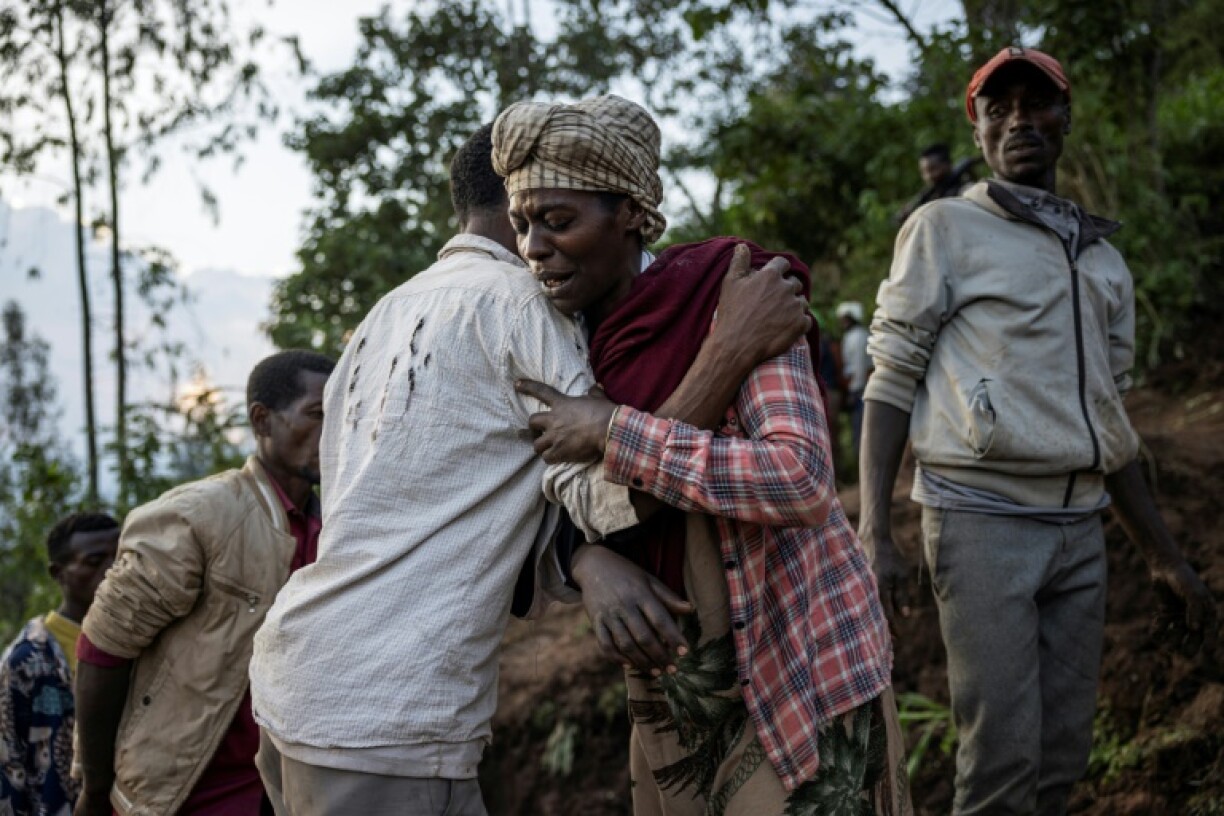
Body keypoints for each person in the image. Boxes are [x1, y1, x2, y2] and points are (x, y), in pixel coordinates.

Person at [247, 123, 809, 816]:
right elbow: (613, 499)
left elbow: (446, 501)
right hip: (388, 711)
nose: (543, 244)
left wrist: (579, 561)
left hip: (295, 676)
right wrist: (727, 353)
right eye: (539, 218)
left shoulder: (381, 316)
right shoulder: (522, 307)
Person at [496, 94, 909, 816]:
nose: (534, 248)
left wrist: (613, 430)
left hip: (796, 649)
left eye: (559, 221)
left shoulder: (733, 293)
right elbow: (550, 498)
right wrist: (584, 562)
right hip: (675, 681)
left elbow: (801, 477)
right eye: (523, 224)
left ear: (628, 212)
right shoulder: (555, 341)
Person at [858, 46, 1218, 816]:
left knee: (1062, 756)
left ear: (1065, 119)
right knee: (1001, 763)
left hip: (1081, 529)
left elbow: (1110, 421)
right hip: (980, 521)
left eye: (1038, 104)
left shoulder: (1105, 262)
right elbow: (889, 379)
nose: (1020, 119)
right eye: (999, 109)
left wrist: (1163, 558)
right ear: (979, 132)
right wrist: (875, 529)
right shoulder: (943, 228)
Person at [73, 350, 334, 816]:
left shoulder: (339, 526)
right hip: (187, 793)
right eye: (315, 414)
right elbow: (103, 647)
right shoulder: (199, 517)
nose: (332, 430)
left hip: (291, 791)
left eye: (341, 413)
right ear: (262, 421)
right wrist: (95, 788)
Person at [1, 512, 119, 816]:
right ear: (58, 573)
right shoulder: (26, 661)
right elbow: (8, 762)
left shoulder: (141, 642)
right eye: (94, 562)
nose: (112, 570)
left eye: (120, 557)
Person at [895, 144, 977, 225]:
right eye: (924, 172)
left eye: (933, 169)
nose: (928, 176)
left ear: (947, 165)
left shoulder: (966, 189)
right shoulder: (927, 196)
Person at [836, 300, 871, 461]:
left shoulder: (856, 337)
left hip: (859, 389)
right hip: (859, 387)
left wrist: (853, 389)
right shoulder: (859, 335)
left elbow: (858, 366)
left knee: (861, 428)